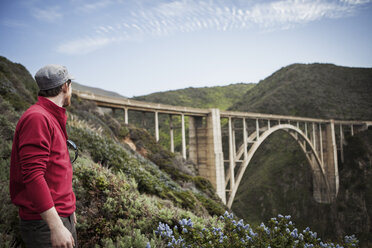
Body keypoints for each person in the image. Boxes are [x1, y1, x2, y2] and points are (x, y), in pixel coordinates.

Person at [10, 64, 77, 248]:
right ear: (65, 86)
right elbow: (33, 176)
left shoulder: (49, 116)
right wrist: (56, 226)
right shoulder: (38, 118)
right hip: (45, 225)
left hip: (60, 217)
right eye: (70, 85)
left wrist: (69, 210)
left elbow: (54, 169)